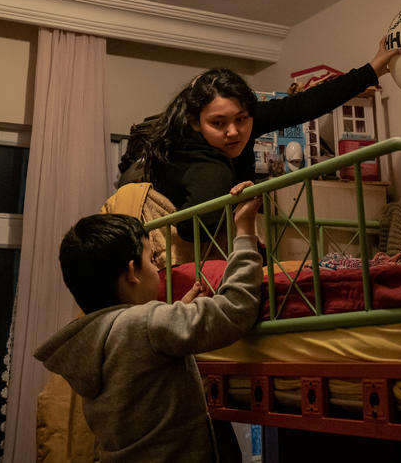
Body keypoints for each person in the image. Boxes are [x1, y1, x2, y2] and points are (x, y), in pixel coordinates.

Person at [34, 182, 263, 463]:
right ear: (132, 271)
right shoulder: (145, 325)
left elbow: (141, 367)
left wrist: (179, 311)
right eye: (149, 258)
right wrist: (244, 231)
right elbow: (235, 309)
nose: (156, 267)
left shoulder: (88, 339)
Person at [139, 39, 401, 242]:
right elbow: (193, 232)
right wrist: (239, 215)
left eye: (241, 119)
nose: (233, 132)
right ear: (195, 122)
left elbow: (305, 105)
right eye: (218, 123)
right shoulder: (204, 164)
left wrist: (371, 70)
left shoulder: (248, 119)